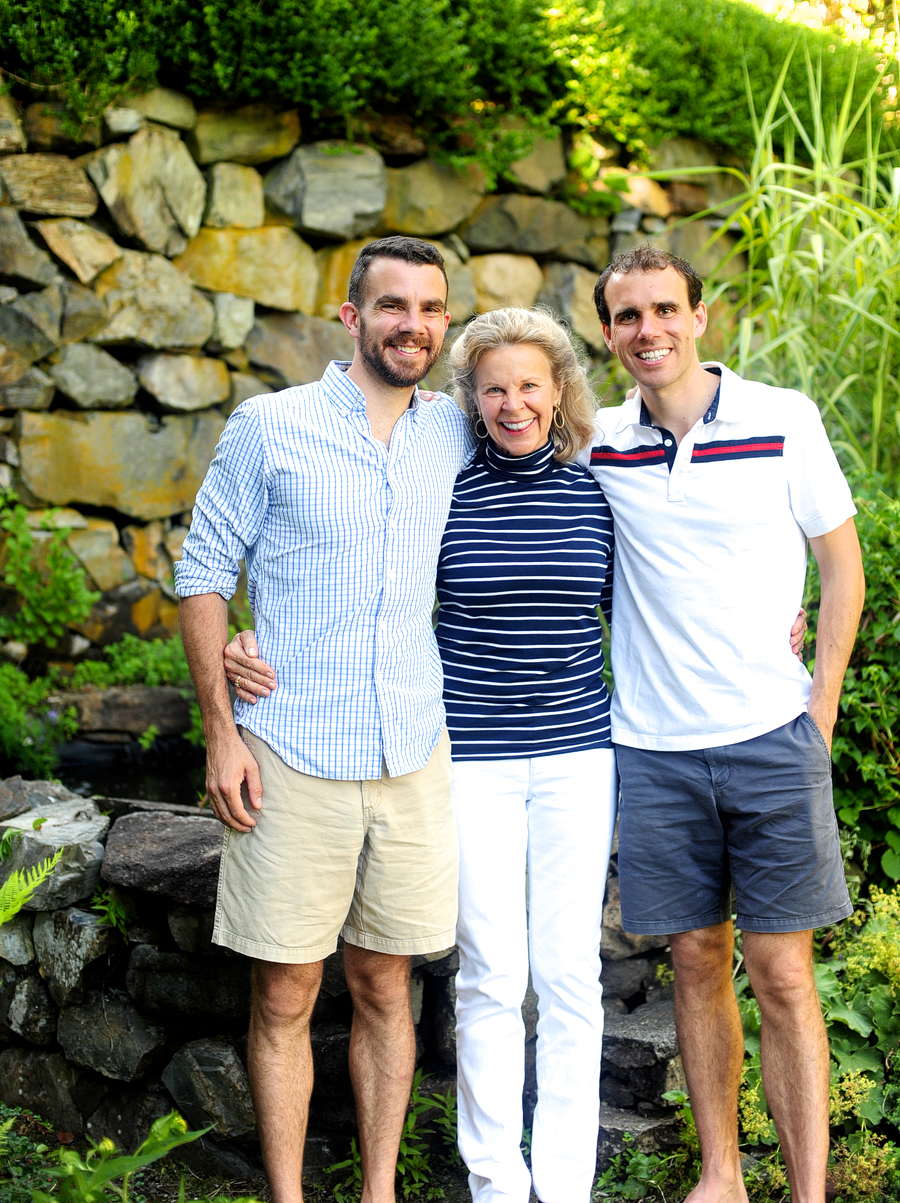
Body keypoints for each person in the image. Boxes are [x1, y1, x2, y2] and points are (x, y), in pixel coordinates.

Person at [175, 235, 474, 1203]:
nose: (414, 325)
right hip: (292, 747)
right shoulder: (271, 426)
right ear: (351, 317)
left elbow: (569, 470)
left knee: (389, 986)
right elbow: (204, 574)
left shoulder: (457, 431)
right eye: (394, 306)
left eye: (431, 309)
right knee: (287, 993)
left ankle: (379, 1192)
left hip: (411, 752)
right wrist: (222, 730)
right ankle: (289, 1197)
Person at [588, 244, 865, 1203]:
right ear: (610, 333)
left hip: (768, 737)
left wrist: (818, 707)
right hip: (653, 750)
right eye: (628, 316)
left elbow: (842, 571)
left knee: (785, 974)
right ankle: (720, 1174)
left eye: (665, 310)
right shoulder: (601, 444)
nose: (648, 331)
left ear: (701, 317)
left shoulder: (783, 418)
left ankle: (809, 1189)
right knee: (697, 961)